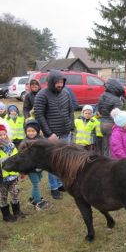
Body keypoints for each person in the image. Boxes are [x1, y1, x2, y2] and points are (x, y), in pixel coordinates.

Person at [34, 70, 74, 200]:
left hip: (65, 133)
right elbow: (39, 115)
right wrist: (49, 133)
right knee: (53, 162)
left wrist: (71, 126)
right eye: (57, 82)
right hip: (52, 135)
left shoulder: (66, 93)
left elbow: (70, 110)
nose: (60, 84)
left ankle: (61, 183)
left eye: (62, 82)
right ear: (51, 82)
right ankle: (54, 187)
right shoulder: (42, 95)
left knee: (64, 160)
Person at [23, 119, 50, 210]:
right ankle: (38, 202)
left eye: (33, 131)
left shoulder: (41, 140)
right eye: (28, 131)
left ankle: (33, 198)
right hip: (31, 169)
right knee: (36, 184)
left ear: (37, 131)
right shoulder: (25, 143)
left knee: (38, 182)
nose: (30, 133)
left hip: (40, 168)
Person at [0, 124, 24, 222]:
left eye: (4, 135)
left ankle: (17, 212)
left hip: (13, 176)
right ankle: (6, 215)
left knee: (15, 194)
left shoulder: (12, 146)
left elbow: (17, 160)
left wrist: (21, 171)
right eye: (0, 135)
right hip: (2, 179)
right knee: (3, 197)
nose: (2, 137)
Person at [97, 79, 123, 157]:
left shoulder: (102, 95)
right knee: (112, 146)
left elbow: (99, 109)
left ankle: (105, 161)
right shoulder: (117, 100)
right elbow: (118, 116)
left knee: (105, 145)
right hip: (111, 124)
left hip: (102, 124)